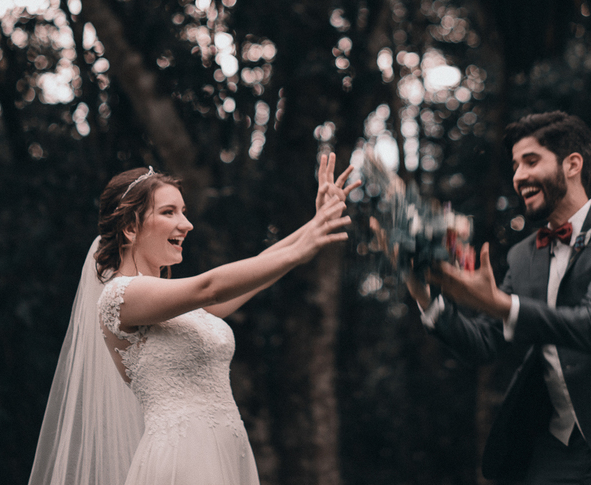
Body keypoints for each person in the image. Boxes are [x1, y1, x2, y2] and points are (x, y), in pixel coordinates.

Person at [383, 112, 591, 484]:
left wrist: (500, 304)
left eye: (531, 161)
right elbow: (484, 343)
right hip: (553, 453)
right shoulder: (522, 256)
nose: (518, 177)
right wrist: (425, 296)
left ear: (572, 164)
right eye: (514, 166)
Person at [29, 154, 357, 485]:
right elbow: (210, 287)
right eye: (169, 212)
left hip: (227, 452)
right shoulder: (121, 296)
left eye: (183, 212)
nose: (186, 224)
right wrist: (302, 249)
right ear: (129, 228)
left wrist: (316, 225)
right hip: (182, 460)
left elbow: (252, 270)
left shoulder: (175, 305)